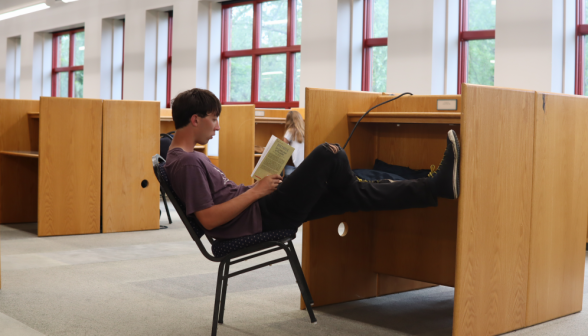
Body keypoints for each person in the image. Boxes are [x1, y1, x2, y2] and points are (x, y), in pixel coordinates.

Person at [164, 88, 460, 240]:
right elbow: (209, 220)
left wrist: (255, 188)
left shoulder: (187, 158)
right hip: (263, 214)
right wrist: (256, 192)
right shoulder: (188, 162)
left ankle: (435, 186)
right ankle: (428, 183)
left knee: (352, 196)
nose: (216, 128)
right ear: (195, 119)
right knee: (328, 154)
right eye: (214, 119)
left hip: (262, 208)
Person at [283, 110, 305, 177]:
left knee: (284, 169)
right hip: (306, 165)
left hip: (296, 166)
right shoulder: (305, 131)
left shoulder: (290, 131)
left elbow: (284, 147)